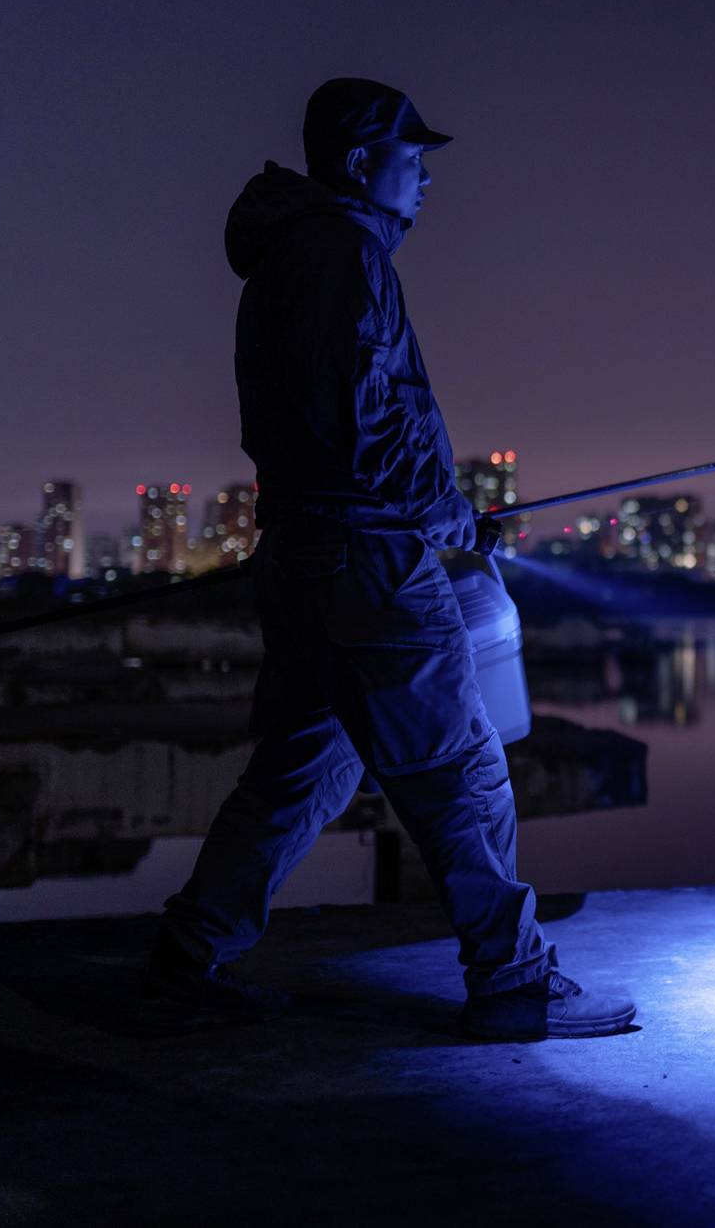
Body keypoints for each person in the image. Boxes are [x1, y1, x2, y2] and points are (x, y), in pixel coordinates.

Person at [145, 78, 634, 1040]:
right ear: (364, 163)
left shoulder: (290, 257)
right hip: (368, 563)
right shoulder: (343, 254)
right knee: (462, 769)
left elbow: (337, 429)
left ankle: (188, 953)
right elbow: (367, 427)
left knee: (298, 772)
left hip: (303, 558)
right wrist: (445, 512)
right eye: (415, 162)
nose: (426, 181)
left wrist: (439, 509)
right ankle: (515, 980)